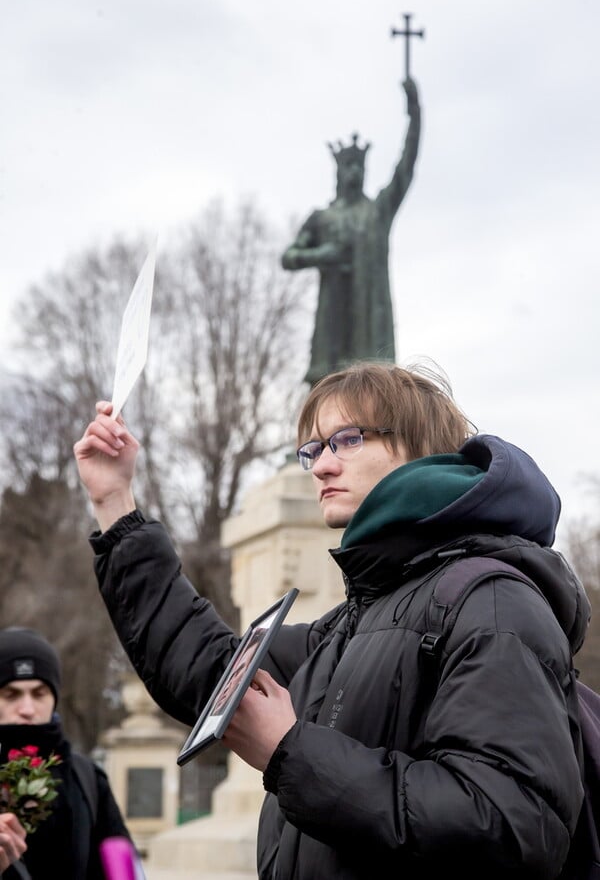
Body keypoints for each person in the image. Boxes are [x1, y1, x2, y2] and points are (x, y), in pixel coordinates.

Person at [73, 361, 590, 880]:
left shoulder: (491, 602)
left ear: (419, 447)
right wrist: (114, 501)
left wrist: (291, 754)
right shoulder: (351, 622)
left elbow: (509, 825)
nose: (321, 466)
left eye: (345, 440)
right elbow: (209, 672)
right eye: (313, 449)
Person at [281, 78, 420, 386]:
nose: (354, 172)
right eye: (349, 167)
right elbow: (288, 257)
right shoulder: (322, 218)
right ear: (339, 171)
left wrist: (415, 113)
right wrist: (322, 255)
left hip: (372, 338)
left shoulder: (377, 211)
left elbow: (405, 169)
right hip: (331, 338)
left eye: (359, 167)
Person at [0, 627, 133, 879]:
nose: (27, 708)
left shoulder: (88, 779)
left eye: (39, 693)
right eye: (11, 694)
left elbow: (123, 870)